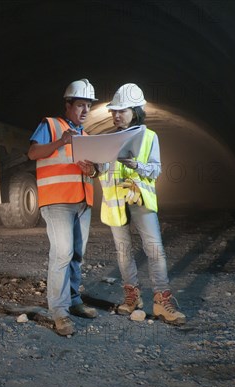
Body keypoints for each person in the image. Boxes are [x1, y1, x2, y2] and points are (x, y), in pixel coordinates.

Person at [98, 83, 186, 325]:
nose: (116, 115)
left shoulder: (149, 137)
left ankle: (161, 301)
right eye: (114, 111)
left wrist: (135, 165)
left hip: (141, 202)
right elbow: (102, 171)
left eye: (122, 110)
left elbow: (156, 169)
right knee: (124, 252)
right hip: (116, 203)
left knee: (154, 249)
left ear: (135, 111)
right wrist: (95, 167)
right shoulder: (105, 139)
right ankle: (132, 298)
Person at [27, 78, 100, 336]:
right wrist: (61, 142)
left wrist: (92, 170)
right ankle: (59, 311)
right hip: (57, 202)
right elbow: (33, 153)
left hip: (82, 203)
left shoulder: (87, 136)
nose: (85, 111)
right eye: (80, 105)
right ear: (68, 105)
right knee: (62, 254)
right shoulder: (50, 125)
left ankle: (73, 300)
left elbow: (94, 172)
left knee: (76, 255)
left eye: (88, 106)